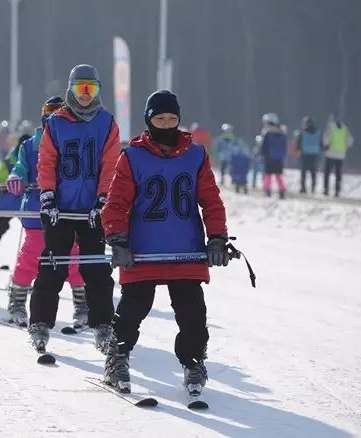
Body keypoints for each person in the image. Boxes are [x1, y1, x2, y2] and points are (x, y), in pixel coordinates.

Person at [100, 90, 229, 396]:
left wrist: (218, 238)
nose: (167, 124)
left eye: (172, 118)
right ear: (149, 120)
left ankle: (194, 360)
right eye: (160, 118)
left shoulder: (195, 155)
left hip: (185, 249)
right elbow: (116, 203)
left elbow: (211, 201)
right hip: (142, 251)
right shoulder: (132, 157)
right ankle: (117, 357)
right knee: (133, 309)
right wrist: (117, 239)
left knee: (193, 312)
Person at [28, 64, 119, 354]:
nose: (84, 95)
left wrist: (103, 198)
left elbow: (110, 164)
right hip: (61, 208)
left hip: (92, 210)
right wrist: (48, 196)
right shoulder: (56, 123)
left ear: (97, 90)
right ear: (70, 88)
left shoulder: (106, 123)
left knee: (95, 268)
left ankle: (103, 324)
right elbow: (47, 161)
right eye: (80, 88)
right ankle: (41, 322)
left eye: (90, 89)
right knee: (53, 264)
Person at [5, 96, 87, 328]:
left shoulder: (74, 143)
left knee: (73, 258)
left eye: (58, 115)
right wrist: (16, 177)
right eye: (49, 115)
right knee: (31, 258)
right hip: (37, 212)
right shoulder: (31, 145)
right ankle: (17, 301)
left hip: (66, 211)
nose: (53, 120)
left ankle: (82, 306)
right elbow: (21, 167)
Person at [0, 133, 30, 268]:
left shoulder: (34, 157)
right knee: (1, 225)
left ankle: (35, 255)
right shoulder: (10, 160)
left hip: (24, 200)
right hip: (10, 199)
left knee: (33, 229)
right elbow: (2, 176)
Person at [323, 113, 353, 197]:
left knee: (327, 173)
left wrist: (325, 145)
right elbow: (350, 141)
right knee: (338, 174)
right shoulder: (345, 128)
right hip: (340, 155)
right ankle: (337, 190)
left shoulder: (330, 127)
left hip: (330, 154)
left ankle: (326, 189)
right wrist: (345, 147)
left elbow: (326, 138)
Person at [260, 113, 288, 198]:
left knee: (268, 175)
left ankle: (267, 191)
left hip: (269, 157)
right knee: (278, 175)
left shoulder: (267, 133)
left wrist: (262, 154)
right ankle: (282, 191)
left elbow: (264, 146)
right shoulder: (282, 133)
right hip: (279, 158)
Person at [295, 116, 322, 194]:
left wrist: (298, 149)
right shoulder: (318, 132)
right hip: (315, 155)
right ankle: (313, 188)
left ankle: (303, 188)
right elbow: (321, 144)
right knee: (313, 173)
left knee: (304, 173)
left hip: (305, 155)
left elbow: (298, 145)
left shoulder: (302, 132)